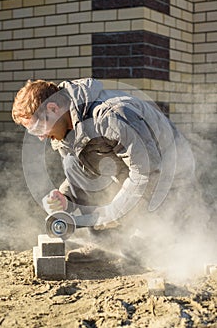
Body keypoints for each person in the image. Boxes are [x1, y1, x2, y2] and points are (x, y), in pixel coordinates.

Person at [12, 78, 195, 263]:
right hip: (132, 171)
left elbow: (147, 173)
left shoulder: (110, 115)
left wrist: (111, 213)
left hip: (169, 177)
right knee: (72, 162)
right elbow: (82, 170)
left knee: (144, 253)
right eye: (33, 133)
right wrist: (65, 197)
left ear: (53, 108)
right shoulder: (68, 126)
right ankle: (106, 243)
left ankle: (147, 233)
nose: (41, 137)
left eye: (37, 128)